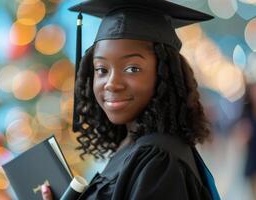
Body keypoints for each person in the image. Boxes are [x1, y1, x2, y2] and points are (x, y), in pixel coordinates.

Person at [41, 0, 220, 199]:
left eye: (132, 69)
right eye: (101, 69)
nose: (111, 83)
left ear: (165, 75)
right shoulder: (134, 144)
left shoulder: (159, 162)